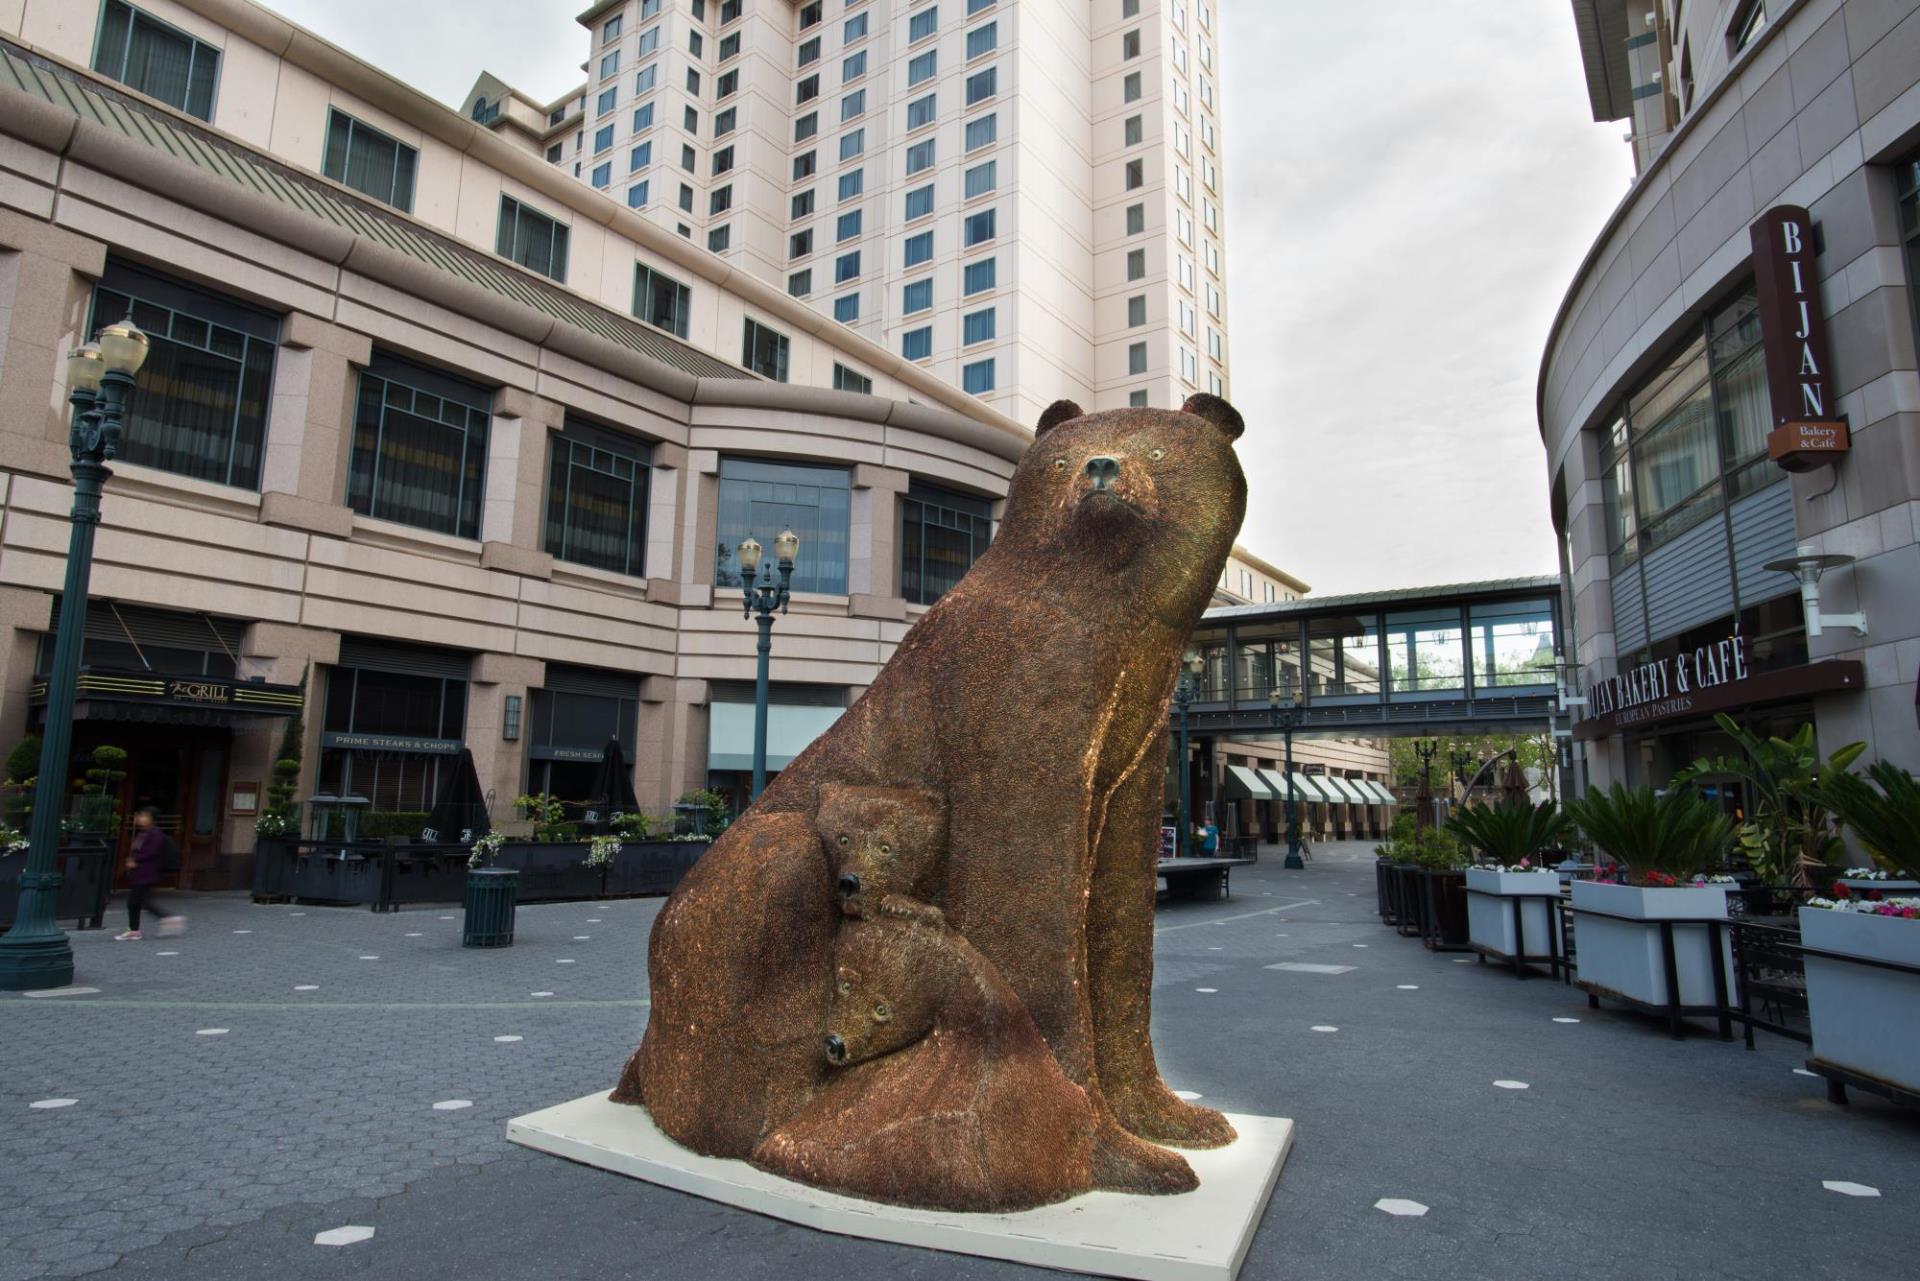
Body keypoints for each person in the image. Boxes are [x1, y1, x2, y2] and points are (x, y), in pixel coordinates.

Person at [117, 808, 184, 941]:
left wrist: (136, 860)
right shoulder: (146, 833)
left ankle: (139, 929)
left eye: (143, 816)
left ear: (151, 818)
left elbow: (151, 852)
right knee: (140, 902)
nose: (140, 818)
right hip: (143, 873)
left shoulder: (154, 834)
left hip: (146, 873)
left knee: (135, 902)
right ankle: (164, 920)